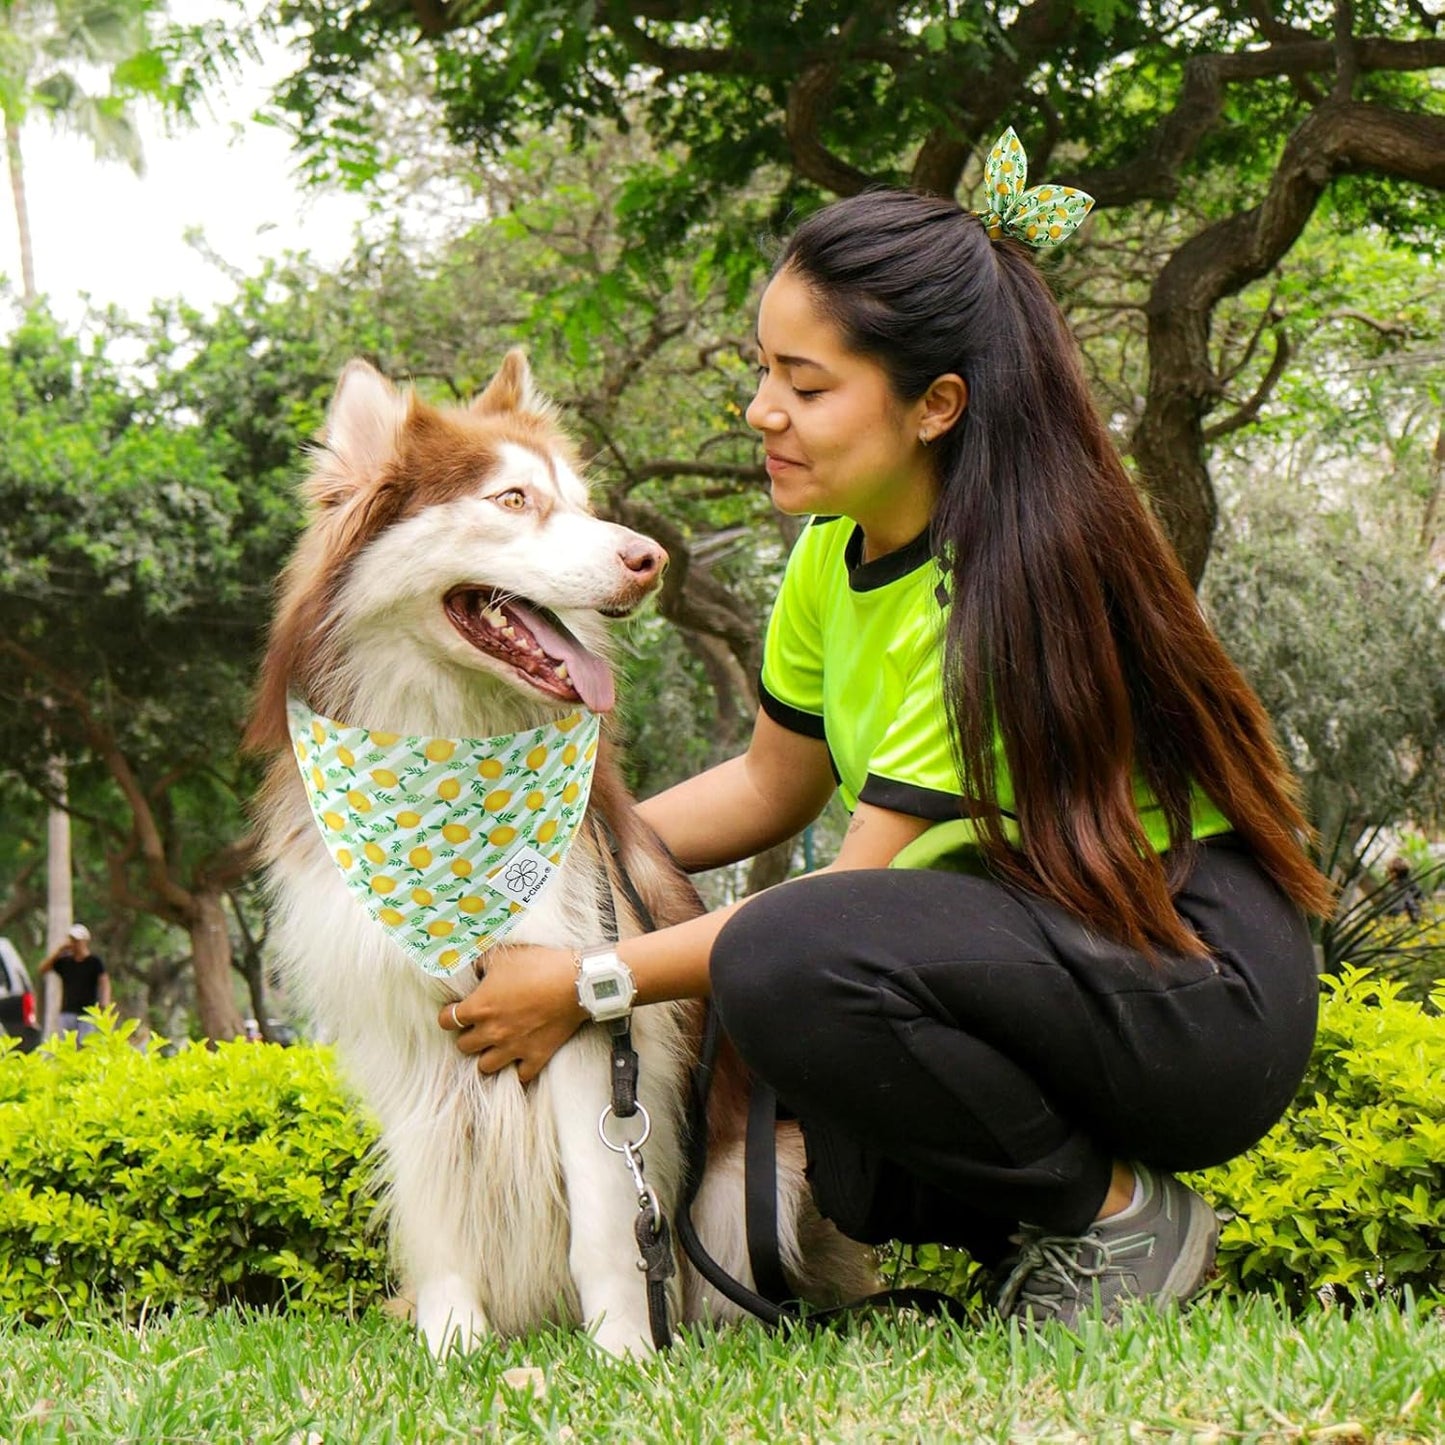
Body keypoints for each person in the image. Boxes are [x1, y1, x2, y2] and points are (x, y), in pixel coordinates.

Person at [438, 131, 1332, 1327]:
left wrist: (580, 977)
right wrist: (545, 870)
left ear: (936, 405)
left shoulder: (1004, 587)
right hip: (1053, 947)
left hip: (1189, 986)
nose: (762, 411)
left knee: (784, 967)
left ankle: (1120, 1215)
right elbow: (768, 786)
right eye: (762, 371)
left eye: (807, 386)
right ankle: (1059, 1229)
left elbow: (837, 907)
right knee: (841, 1129)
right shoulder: (830, 552)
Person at [39, 924, 111, 1039]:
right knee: (66, 1046)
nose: (74, 943)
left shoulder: (94, 962)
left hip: (88, 1012)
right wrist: (59, 952)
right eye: (72, 940)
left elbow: (104, 982)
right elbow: (43, 969)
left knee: (86, 1046)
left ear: (85, 941)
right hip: (67, 1011)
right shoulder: (65, 962)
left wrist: (104, 1002)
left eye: (77, 941)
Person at [1382, 857, 1425, 923]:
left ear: (1394, 874)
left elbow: (1393, 912)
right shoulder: (1414, 886)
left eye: (1388, 873)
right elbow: (1422, 902)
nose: (1387, 877)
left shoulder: (1396, 891)